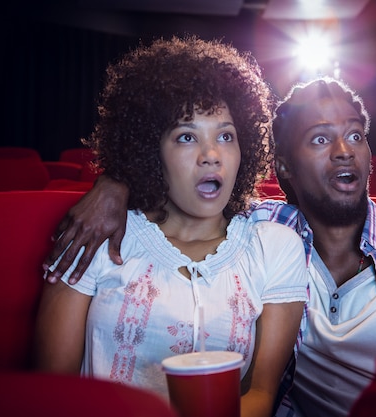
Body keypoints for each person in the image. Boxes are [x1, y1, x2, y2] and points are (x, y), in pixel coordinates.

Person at [43, 76, 376, 417]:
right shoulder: (262, 229)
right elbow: (189, 188)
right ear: (282, 168)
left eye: (356, 135)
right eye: (321, 139)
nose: (345, 150)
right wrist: (114, 182)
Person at [35, 36, 308, 417]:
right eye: (186, 136)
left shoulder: (275, 246)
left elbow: (259, 396)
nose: (211, 155)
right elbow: (52, 393)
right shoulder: (96, 231)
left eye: (225, 136)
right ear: (150, 149)